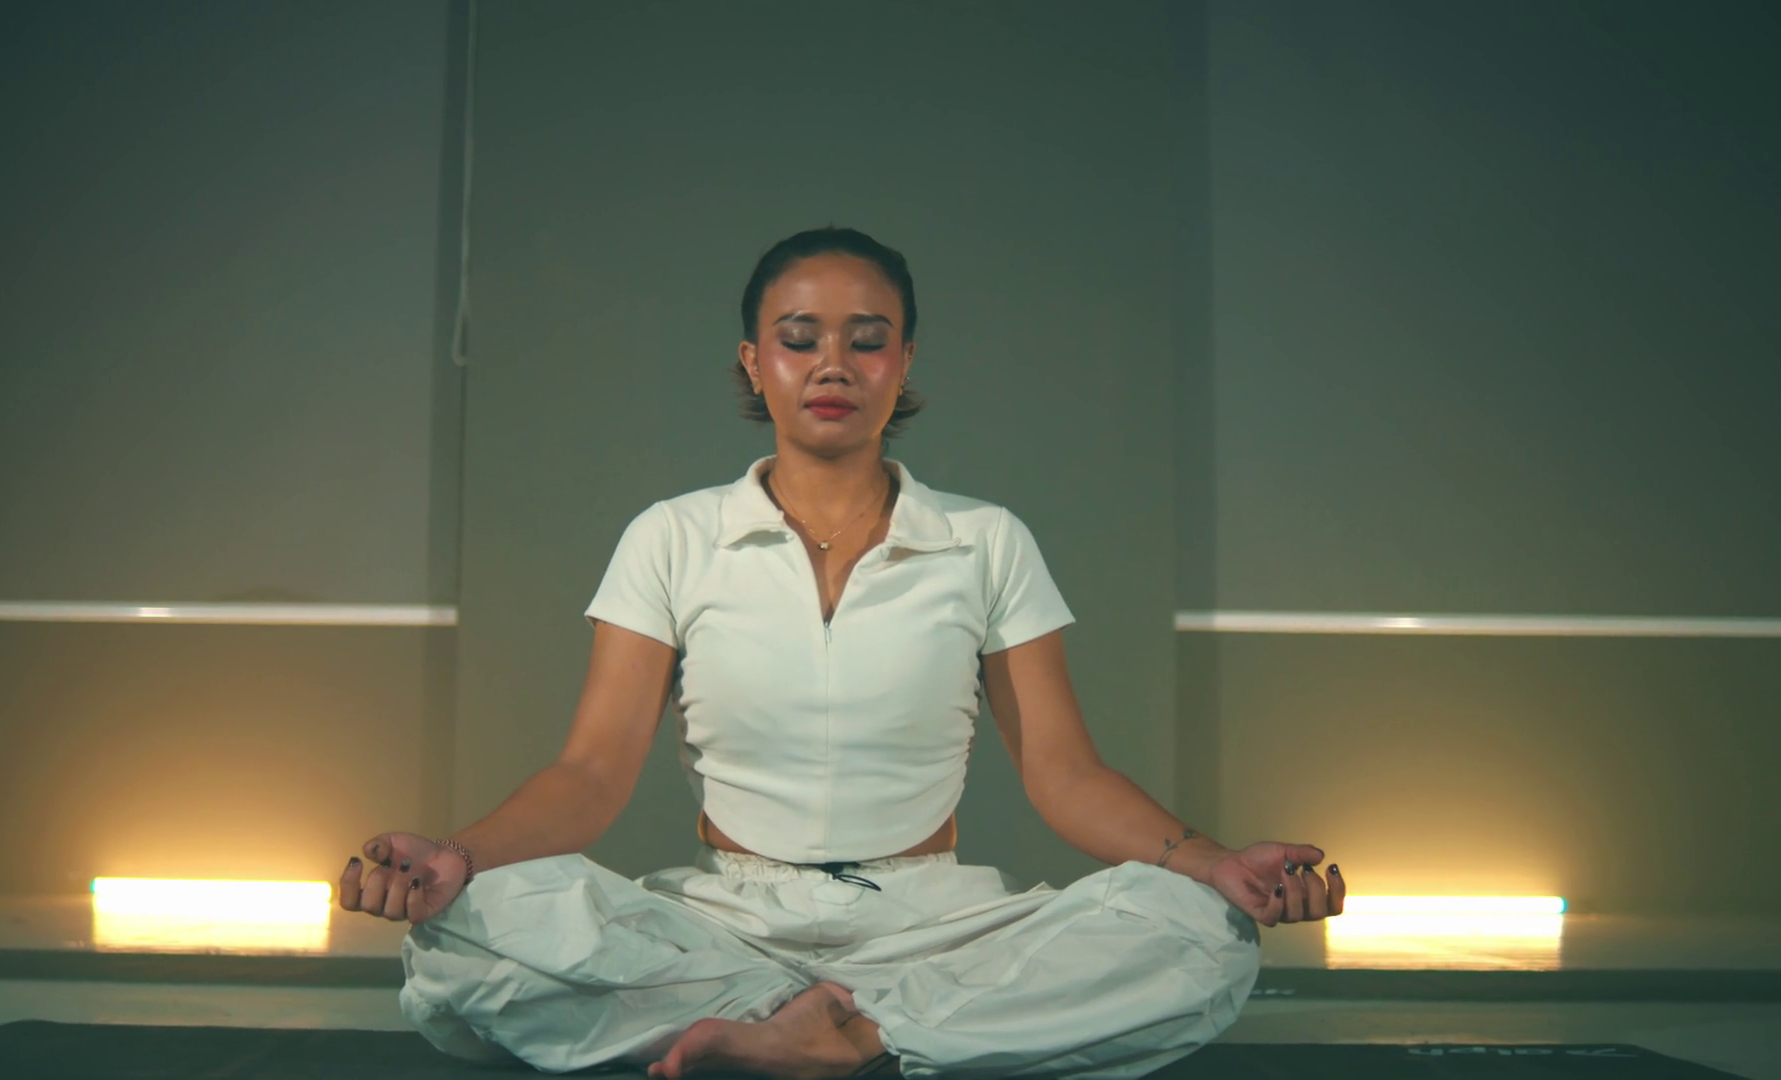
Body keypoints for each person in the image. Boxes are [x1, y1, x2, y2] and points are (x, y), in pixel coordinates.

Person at [338, 226, 1347, 1079]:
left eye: (867, 341)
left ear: (904, 363)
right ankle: (853, 1030)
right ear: (753, 362)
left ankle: (841, 1035)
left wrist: (1216, 865)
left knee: (1201, 933)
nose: (833, 365)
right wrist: (458, 858)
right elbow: (591, 775)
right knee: (468, 929)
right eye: (799, 340)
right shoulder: (672, 537)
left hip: (932, 927)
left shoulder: (985, 540)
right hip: (724, 925)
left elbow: (1067, 775)